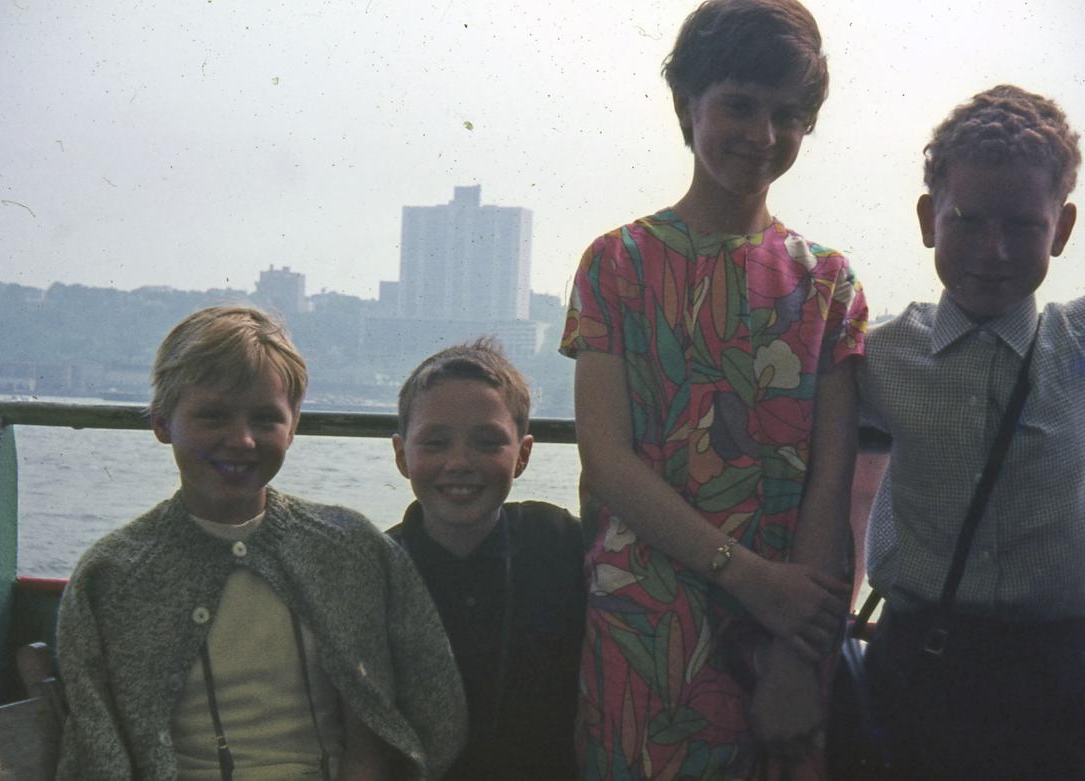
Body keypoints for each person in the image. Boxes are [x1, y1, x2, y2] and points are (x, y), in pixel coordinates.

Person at [559, 0, 868, 777]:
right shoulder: (616, 263)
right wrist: (751, 579)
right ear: (685, 104)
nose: (762, 134)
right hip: (645, 631)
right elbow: (607, 460)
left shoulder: (829, 282)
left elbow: (832, 480)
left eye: (787, 115)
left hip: (786, 634)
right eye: (738, 105)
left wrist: (797, 653)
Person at [55, 305, 466, 780]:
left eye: (266, 419)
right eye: (213, 416)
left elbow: (394, 722)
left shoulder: (349, 550)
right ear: (162, 422)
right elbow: (98, 750)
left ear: (293, 428)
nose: (242, 440)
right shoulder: (112, 576)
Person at [858, 85, 1083, 780]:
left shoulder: (1078, 347)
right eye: (967, 219)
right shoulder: (879, 357)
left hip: (1061, 677)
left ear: (1063, 230)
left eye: (1024, 225)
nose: (995, 248)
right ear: (929, 219)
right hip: (918, 671)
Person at [387, 338, 585, 780]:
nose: (459, 462)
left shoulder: (560, 543)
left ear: (523, 455)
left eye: (487, 442)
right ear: (401, 455)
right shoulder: (378, 568)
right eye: (436, 443)